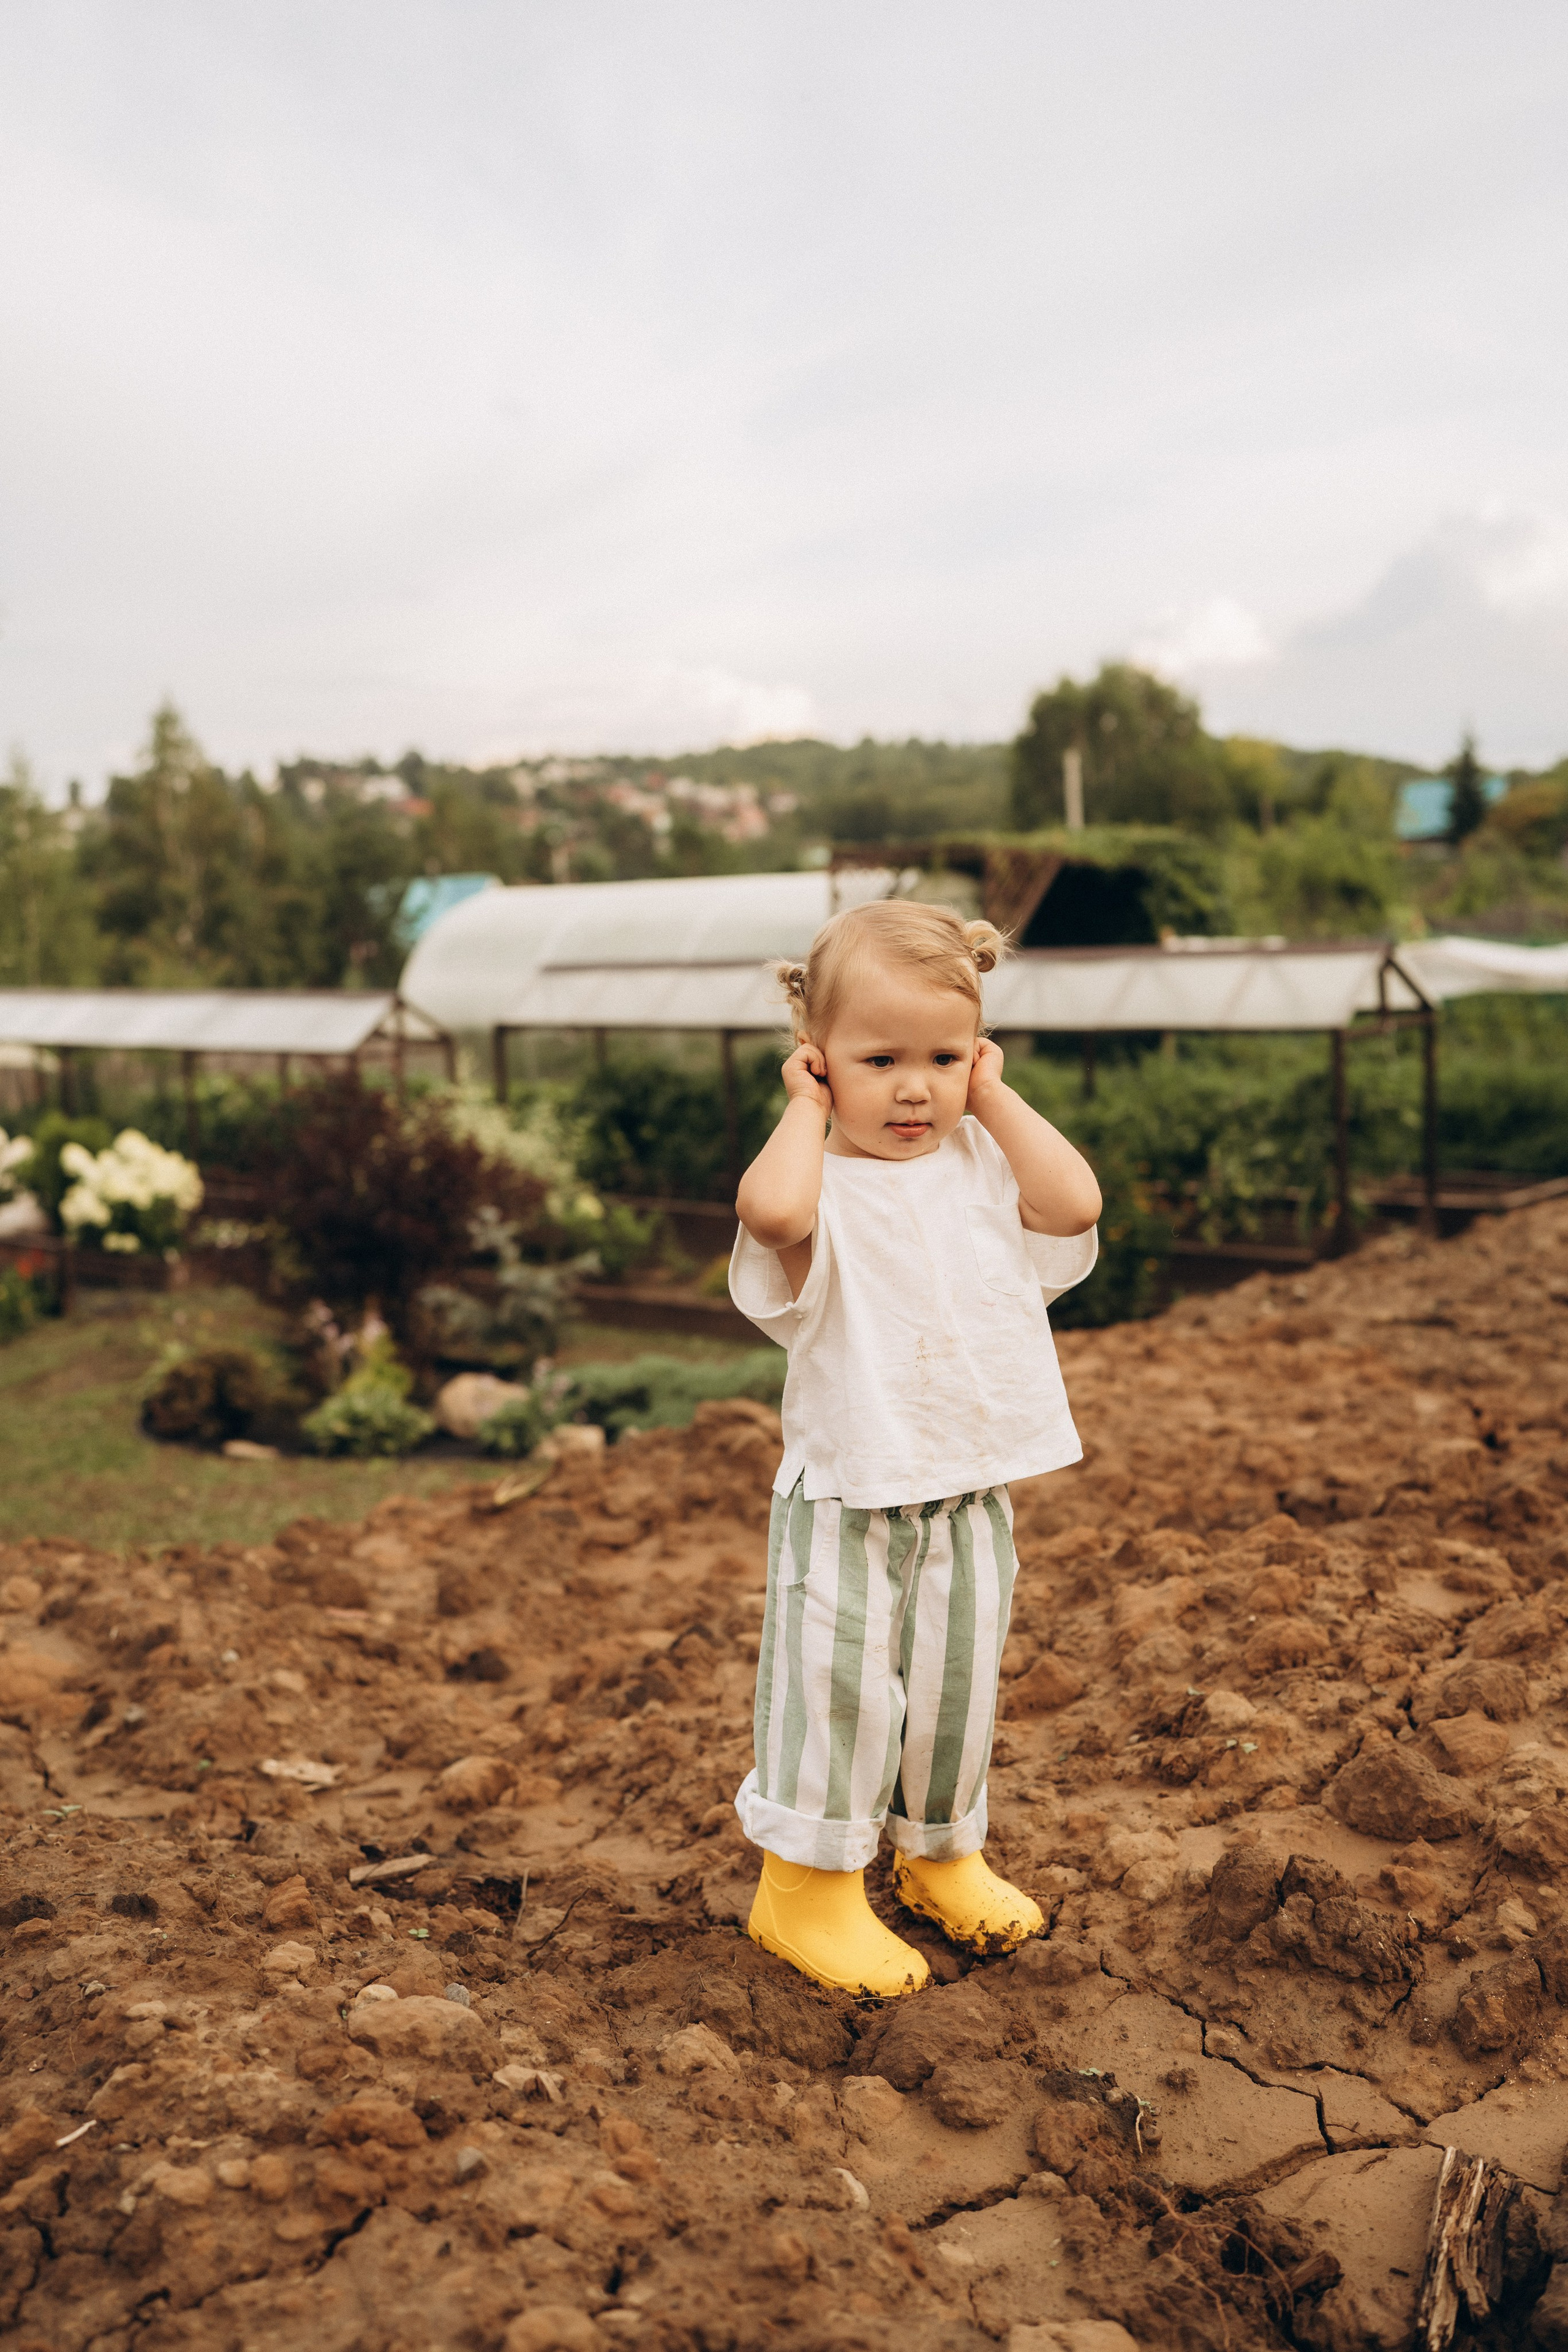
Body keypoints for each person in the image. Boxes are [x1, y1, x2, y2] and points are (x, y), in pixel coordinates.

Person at [728, 897, 1102, 1997]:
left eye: (943, 1056)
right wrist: (801, 1111)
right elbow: (772, 1215)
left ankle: (941, 1852)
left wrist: (990, 1093)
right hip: (848, 1495)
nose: (913, 1085)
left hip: (967, 1487)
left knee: (953, 1689)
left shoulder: (985, 1159)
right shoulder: (819, 1183)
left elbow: (1075, 1201)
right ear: (819, 1061)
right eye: (878, 1057)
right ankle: (805, 1888)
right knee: (839, 1695)